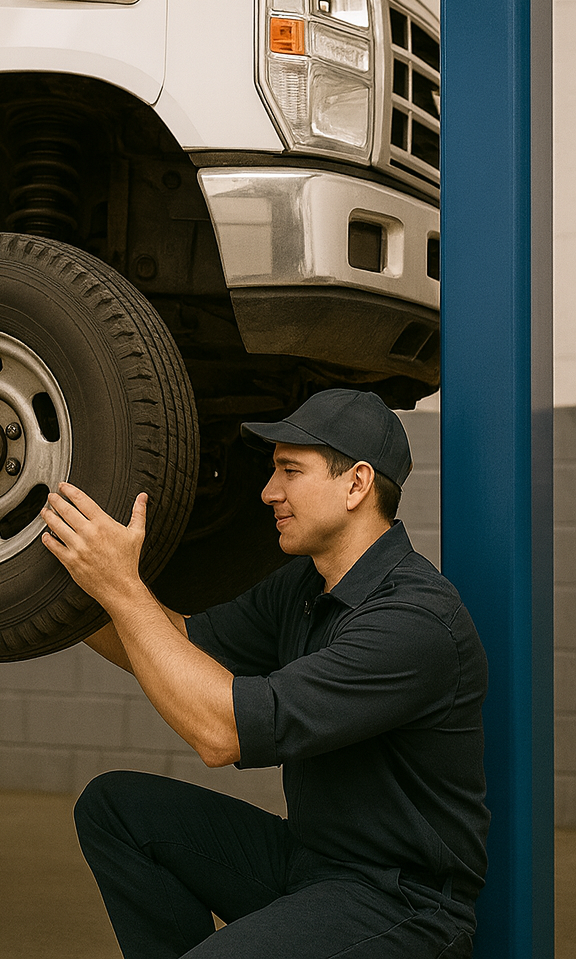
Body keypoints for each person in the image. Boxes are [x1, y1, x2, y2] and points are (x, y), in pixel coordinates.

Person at [40, 388, 489, 959]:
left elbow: (221, 733)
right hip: (309, 862)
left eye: (289, 471)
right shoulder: (306, 587)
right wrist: (45, 598)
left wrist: (120, 585)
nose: (267, 492)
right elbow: (170, 641)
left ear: (356, 484)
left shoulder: (413, 622)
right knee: (116, 809)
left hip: (401, 902)